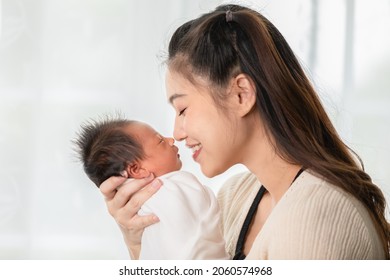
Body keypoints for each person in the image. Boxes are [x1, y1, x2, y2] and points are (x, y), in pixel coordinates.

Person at [99, 4, 390, 259]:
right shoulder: (235, 197)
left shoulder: (316, 219)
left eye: (183, 109)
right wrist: (140, 240)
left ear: (241, 94)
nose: (177, 132)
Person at [74, 117, 228, 259]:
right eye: (160, 141)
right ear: (137, 170)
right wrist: (134, 244)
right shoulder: (174, 186)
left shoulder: (137, 207)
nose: (171, 139)